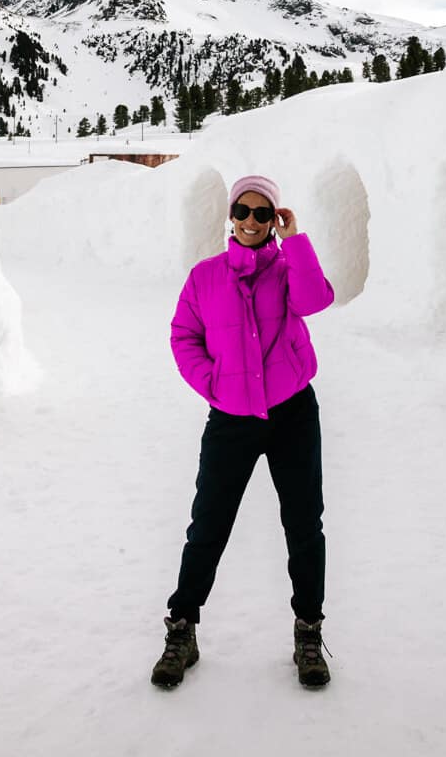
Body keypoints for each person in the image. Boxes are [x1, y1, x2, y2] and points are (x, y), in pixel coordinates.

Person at [151, 175, 335, 689]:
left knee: (304, 524)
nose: (250, 221)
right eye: (242, 209)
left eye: (262, 213)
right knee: (207, 524)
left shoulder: (287, 269)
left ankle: (308, 630)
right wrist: (213, 385)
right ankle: (182, 630)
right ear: (229, 214)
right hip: (231, 417)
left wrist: (295, 240)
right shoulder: (205, 276)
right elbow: (183, 336)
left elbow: (317, 300)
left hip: (292, 412)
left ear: (273, 218)